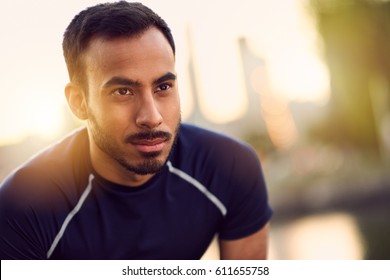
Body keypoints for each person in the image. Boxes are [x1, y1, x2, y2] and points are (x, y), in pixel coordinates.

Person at [0, 1, 272, 260]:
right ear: (79, 102)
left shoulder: (230, 167)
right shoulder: (23, 207)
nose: (151, 117)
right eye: (123, 91)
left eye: (163, 87)